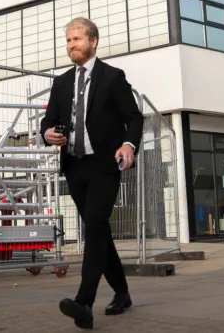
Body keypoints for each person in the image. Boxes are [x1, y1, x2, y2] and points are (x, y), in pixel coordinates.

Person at [41, 17, 143, 329]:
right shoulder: (60, 83)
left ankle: (84, 301)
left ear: (93, 41)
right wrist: (48, 134)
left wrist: (128, 144)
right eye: (68, 41)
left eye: (76, 40)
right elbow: (47, 122)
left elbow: (134, 117)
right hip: (74, 167)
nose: (71, 45)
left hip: (104, 165)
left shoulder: (112, 77)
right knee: (99, 232)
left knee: (95, 225)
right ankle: (122, 293)